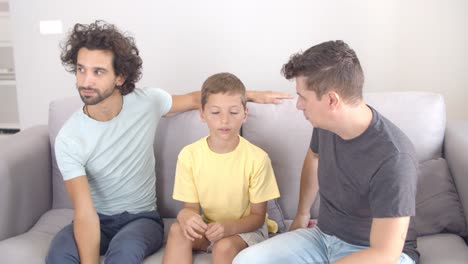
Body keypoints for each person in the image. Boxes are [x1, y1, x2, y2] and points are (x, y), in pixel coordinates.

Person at [45, 21, 292, 264]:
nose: (86, 81)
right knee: (58, 256)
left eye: (98, 71)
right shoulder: (69, 137)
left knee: (123, 255)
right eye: (81, 69)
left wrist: (251, 95)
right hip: (95, 217)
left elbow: (201, 99)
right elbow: (85, 213)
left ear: (119, 76)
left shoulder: (146, 102)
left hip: (139, 219)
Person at [233, 40, 419, 264]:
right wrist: (302, 214)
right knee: (246, 261)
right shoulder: (325, 124)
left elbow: (384, 254)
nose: (298, 105)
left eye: (303, 97)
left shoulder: (394, 157)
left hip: (374, 253)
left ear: (332, 100)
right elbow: (314, 157)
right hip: (323, 238)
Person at [162, 72, 281, 264]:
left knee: (223, 247)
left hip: (246, 230)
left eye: (233, 112)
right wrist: (186, 216)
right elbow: (190, 209)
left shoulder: (257, 158)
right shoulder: (189, 155)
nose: (224, 120)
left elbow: (258, 218)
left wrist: (227, 229)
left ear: (245, 114)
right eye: (215, 112)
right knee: (177, 230)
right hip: (211, 227)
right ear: (202, 114)